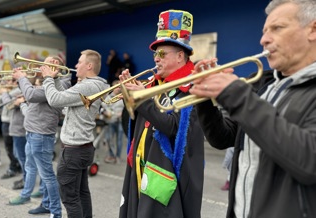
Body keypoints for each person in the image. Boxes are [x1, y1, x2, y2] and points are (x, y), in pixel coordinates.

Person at [189, 1, 316, 217]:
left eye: (277, 28)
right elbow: (221, 138)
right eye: (264, 31)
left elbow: (309, 161)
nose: (264, 39)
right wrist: (204, 98)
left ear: (312, 30)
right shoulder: (263, 86)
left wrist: (238, 96)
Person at [118, 10, 204, 218]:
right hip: (141, 171)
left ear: (180, 56)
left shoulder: (191, 87)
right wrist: (127, 99)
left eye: (162, 54)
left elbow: (173, 127)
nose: (156, 58)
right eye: (155, 54)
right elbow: (131, 127)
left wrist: (142, 99)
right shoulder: (154, 85)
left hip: (165, 178)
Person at [42, 49, 109, 218]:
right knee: (81, 194)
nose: (76, 65)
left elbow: (54, 100)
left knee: (70, 199)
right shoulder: (93, 85)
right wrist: (56, 79)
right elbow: (64, 102)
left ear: (89, 65)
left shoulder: (87, 86)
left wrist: (48, 78)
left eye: (79, 62)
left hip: (74, 150)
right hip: (83, 147)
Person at [8, 56, 66, 218]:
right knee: (33, 168)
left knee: (47, 176)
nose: (41, 66)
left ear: (55, 66)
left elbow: (32, 95)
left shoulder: (54, 85)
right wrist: (23, 80)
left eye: (46, 63)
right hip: (33, 132)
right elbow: (32, 101)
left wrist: (22, 78)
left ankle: (55, 212)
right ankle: (46, 204)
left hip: (40, 135)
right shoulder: (46, 83)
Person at [101, 80, 125, 164]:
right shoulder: (108, 97)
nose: (118, 89)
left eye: (119, 87)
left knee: (119, 140)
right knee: (109, 139)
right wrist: (105, 112)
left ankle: (117, 157)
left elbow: (127, 108)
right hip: (111, 120)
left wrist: (123, 113)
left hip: (120, 121)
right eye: (117, 87)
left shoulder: (124, 97)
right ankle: (111, 155)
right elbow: (103, 108)